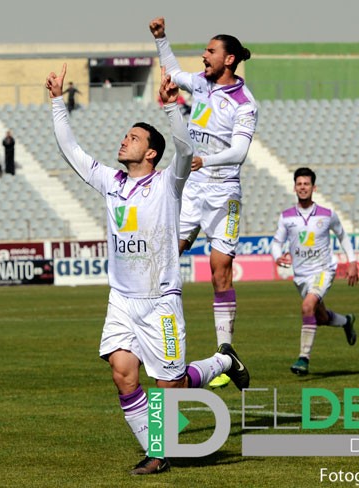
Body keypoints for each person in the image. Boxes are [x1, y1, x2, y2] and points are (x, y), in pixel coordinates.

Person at [47, 63, 250, 475]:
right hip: (121, 300)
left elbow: (187, 151)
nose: (125, 142)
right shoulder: (110, 182)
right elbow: (73, 152)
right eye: (126, 137)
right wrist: (56, 102)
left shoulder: (167, 183)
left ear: (151, 152)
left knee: (170, 388)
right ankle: (157, 453)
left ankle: (222, 363)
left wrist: (174, 105)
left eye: (134, 138)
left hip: (160, 302)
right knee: (123, 374)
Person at [150, 17, 258, 388]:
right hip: (193, 188)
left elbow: (240, 151)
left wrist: (205, 161)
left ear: (229, 59)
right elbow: (174, 72)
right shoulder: (200, 83)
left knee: (218, 269)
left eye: (211, 51)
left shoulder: (245, 103)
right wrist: (161, 38)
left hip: (223, 191)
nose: (204, 56)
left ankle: (225, 350)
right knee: (167, 253)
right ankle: (153, 327)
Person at [272, 167, 359, 375]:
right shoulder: (286, 217)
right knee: (319, 317)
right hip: (301, 276)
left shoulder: (327, 214)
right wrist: (277, 256)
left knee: (307, 306)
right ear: (294, 187)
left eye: (307, 184)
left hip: (323, 270)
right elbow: (276, 242)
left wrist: (352, 262)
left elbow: (343, 237)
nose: (303, 187)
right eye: (300, 184)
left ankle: (303, 358)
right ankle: (347, 321)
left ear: (314, 187)